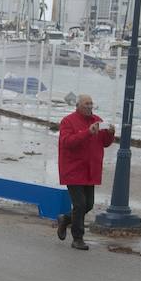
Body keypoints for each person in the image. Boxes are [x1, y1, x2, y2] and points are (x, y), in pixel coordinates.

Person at [56, 94, 116, 250]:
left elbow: (105, 143)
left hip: (91, 169)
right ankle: (78, 238)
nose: (89, 107)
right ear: (78, 106)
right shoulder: (68, 121)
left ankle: (65, 218)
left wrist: (110, 133)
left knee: (88, 204)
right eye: (86, 104)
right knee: (80, 204)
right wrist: (87, 132)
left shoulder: (97, 120)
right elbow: (67, 142)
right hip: (73, 168)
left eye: (91, 104)